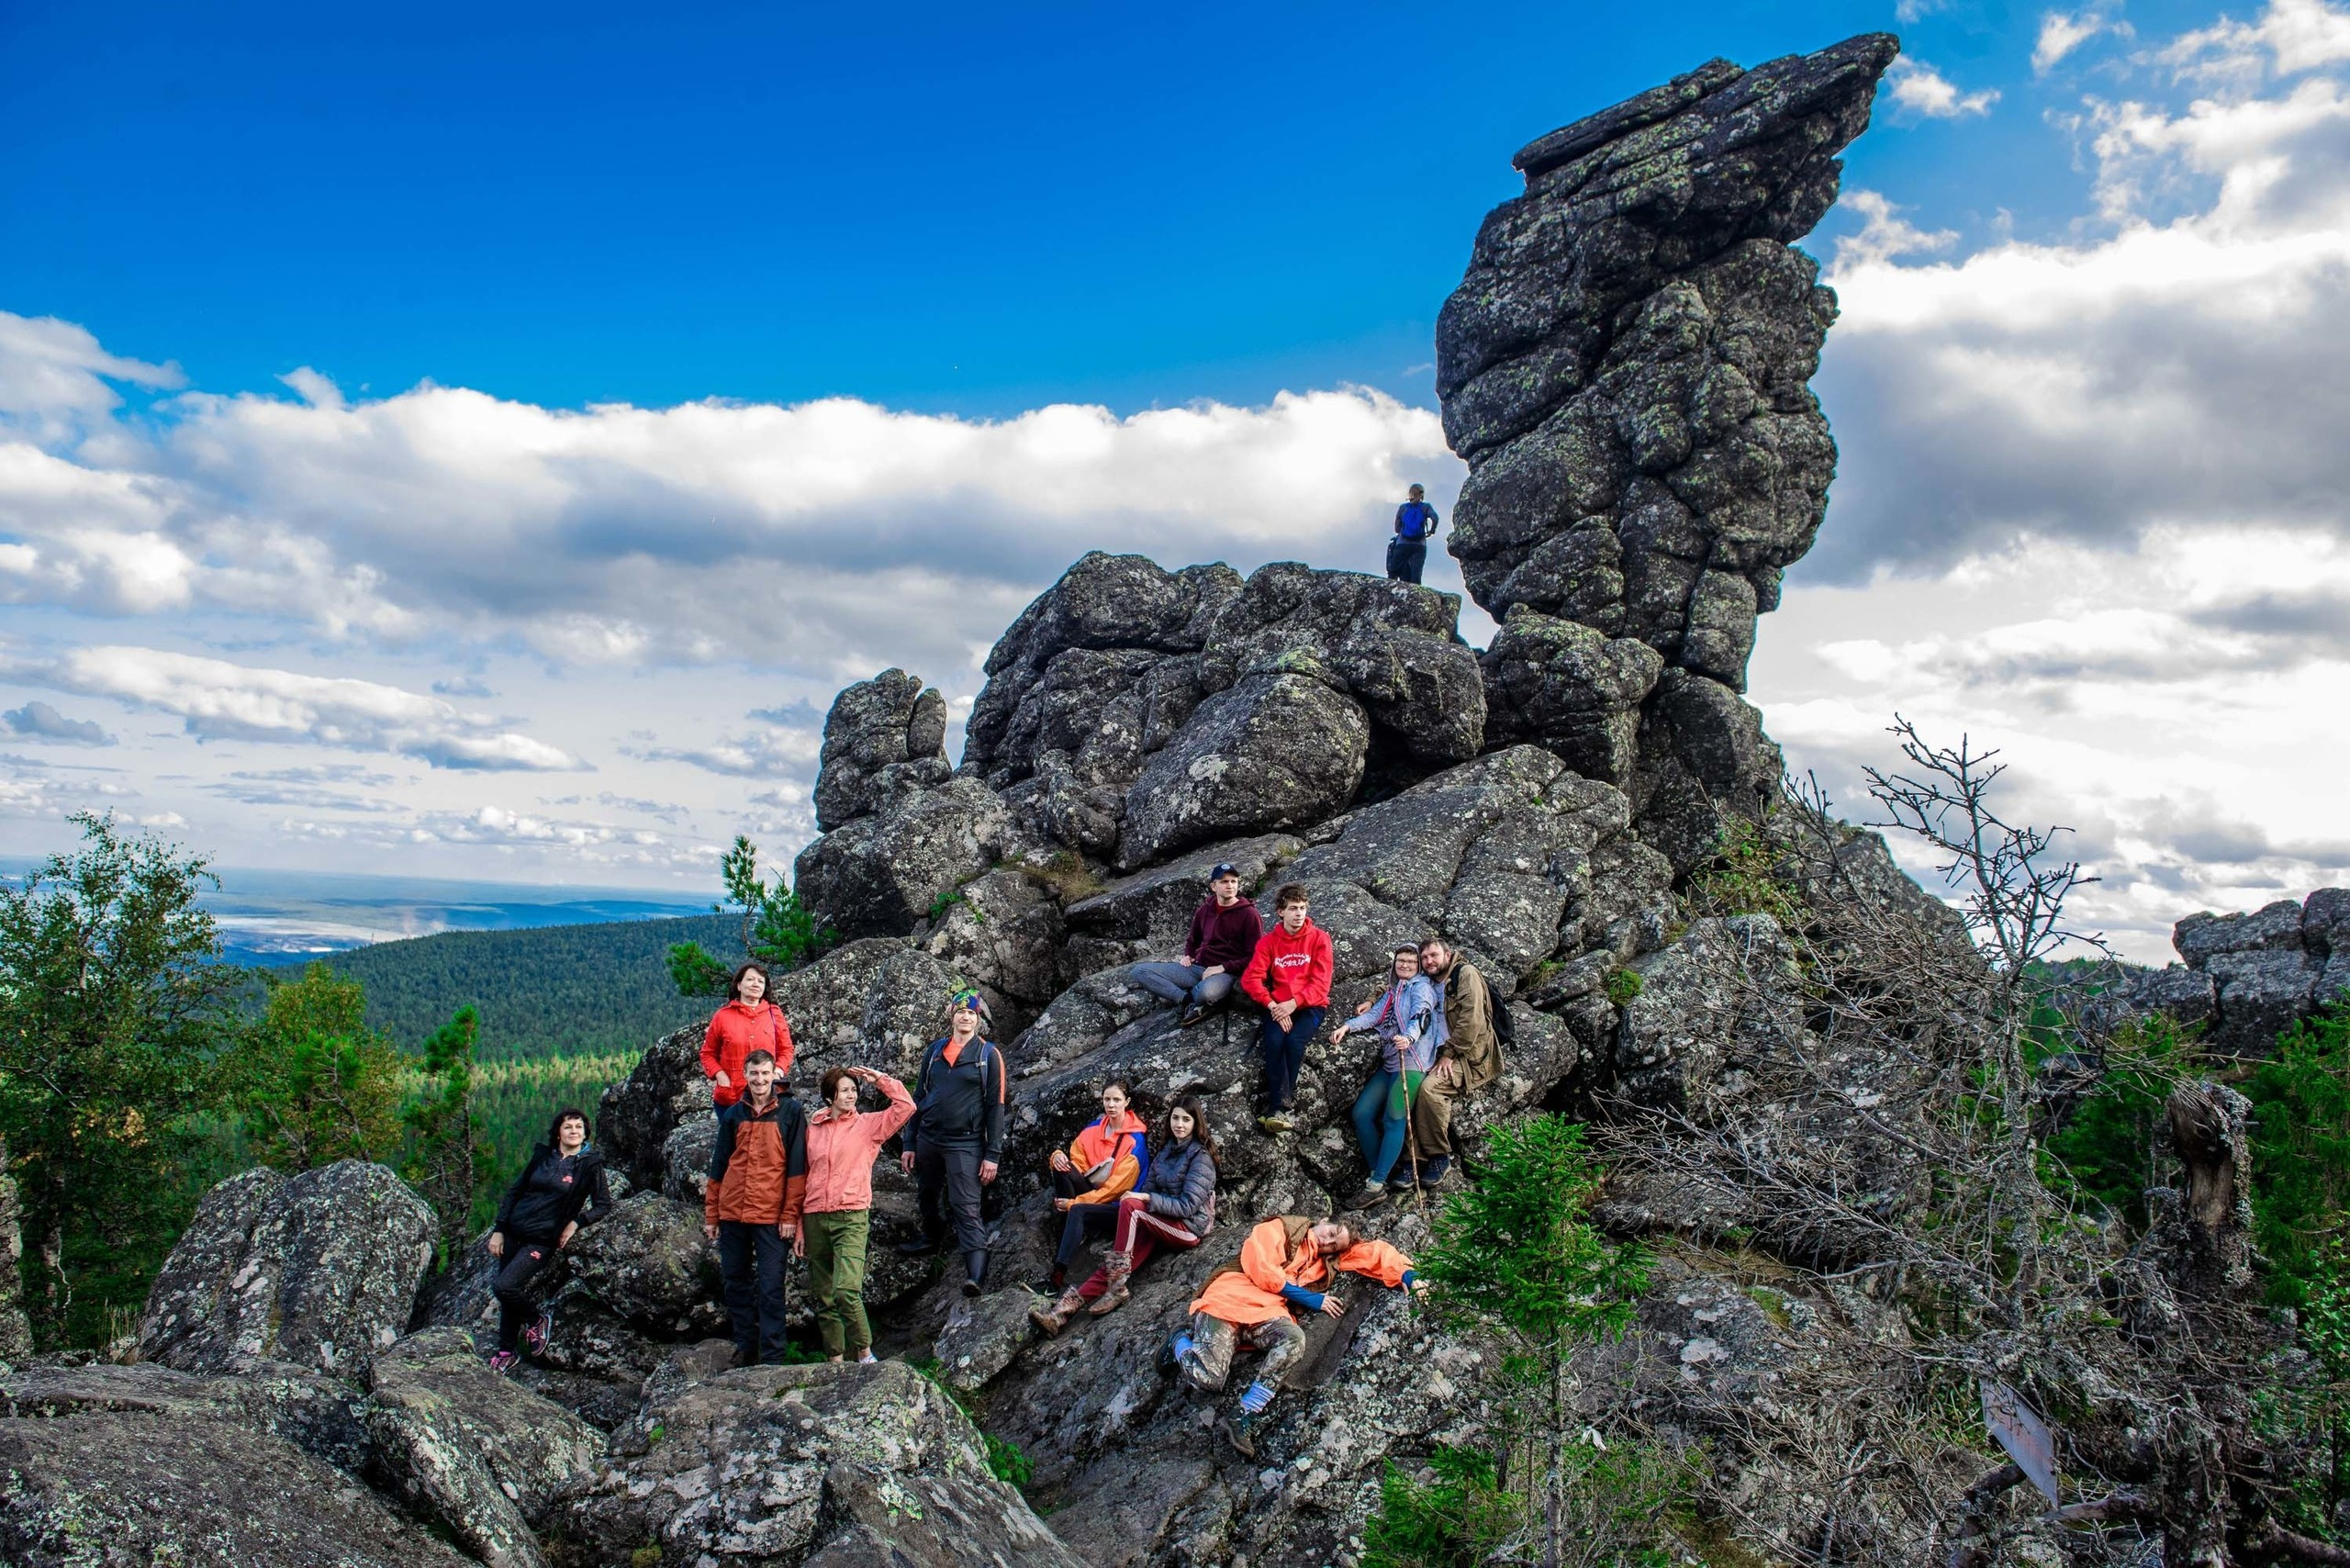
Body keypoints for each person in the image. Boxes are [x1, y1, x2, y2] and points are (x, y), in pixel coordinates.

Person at [1164, 1215, 1420, 1455]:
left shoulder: (1325, 1260)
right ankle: (1179, 1341)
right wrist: (1310, 1298)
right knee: (1209, 1380)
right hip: (1228, 1300)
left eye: (1334, 1246)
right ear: (1322, 1221)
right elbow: (1262, 1271)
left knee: (1294, 1339)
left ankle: (1245, 1412)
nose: (1327, 1243)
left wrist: (1409, 1275)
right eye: (1330, 1233)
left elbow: (1376, 1253)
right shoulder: (1281, 1228)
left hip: (1268, 1313)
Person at [1031, 1094, 1219, 1334]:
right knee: (1117, 1264)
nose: (1179, 1125)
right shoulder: (1165, 1153)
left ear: (1195, 1124)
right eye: (1175, 1118)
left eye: (1186, 1120)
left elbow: (1187, 1207)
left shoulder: (1200, 1157)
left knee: (1131, 1207)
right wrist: (1146, 1198)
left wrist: (1147, 1199)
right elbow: (1150, 1187)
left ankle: (1117, 1287)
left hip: (1188, 1228)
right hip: (1159, 1220)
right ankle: (1060, 1315)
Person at [798, 1063, 916, 1363]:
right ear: (829, 1096)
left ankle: (865, 1352)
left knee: (845, 1290)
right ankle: (834, 1359)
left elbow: (905, 1107)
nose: (851, 1095)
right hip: (814, 1216)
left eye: (853, 1090)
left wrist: (881, 1081)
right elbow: (804, 1176)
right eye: (844, 1090)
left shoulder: (867, 1125)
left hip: (851, 1215)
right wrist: (799, 1224)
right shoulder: (812, 1129)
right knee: (823, 1296)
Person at [484, 1106, 612, 1372]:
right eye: (568, 1127)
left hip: (541, 1240)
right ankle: (506, 1352)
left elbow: (603, 1204)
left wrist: (577, 1222)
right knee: (508, 1293)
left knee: (504, 1286)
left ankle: (536, 1320)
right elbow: (515, 1191)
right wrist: (499, 1228)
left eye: (579, 1127)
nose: (574, 1131)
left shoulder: (589, 1165)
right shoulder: (543, 1156)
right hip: (513, 1233)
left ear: (586, 1132)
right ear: (558, 1133)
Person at [897, 989, 1006, 1297]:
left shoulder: (988, 1056)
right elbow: (918, 1097)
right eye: (960, 1011)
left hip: (966, 1143)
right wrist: (909, 1141)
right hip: (929, 1138)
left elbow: (995, 1107)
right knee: (927, 1193)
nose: (965, 1017)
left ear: (978, 1018)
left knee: (966, 1206)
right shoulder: (934, 1052)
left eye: (971, 1012)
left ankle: (975, 1274)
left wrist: (992, 1155)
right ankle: (931, 1239)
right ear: (951, 1016)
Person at [703, 1048, 808, 1368]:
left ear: (775, 1075)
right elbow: (719, 1164)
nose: (760, 1080)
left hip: (771, 1216)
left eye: (765, 1073)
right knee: (735, 1281)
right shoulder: (734, 1114)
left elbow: (796, 1168)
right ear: (745, 1076)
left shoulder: (790, 1112)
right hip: (732, 1212)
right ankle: (745, 1348)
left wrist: (790, 1215)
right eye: (754, 1073)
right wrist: (712, 1214)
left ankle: (773, 1356)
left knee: (771, 1286)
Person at [1334, 946, 1439, 1209]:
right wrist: (1347, 1026)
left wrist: (1409, 1037)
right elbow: (1375, 1015)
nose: (1405, 965)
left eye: (1411, 961)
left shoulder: (1420, 988)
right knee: (1362, 1113)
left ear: (1419, 965)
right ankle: (1381, 1174)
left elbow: (1422, 1017)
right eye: (1400, 961)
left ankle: (1376, 1184)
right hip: (1392, 1062)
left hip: (1413, 1061)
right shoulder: (1395, 990)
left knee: (1394, 1118)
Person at [1035, 1080, 1149, 1294]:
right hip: (1093, 1192)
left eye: (1117, 1100)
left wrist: (1074, 1203)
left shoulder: (1135, 1141)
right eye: (1107, 1099)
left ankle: (1055, 1282)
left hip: (1117, 1207)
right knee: (1062, 1166)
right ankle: (1075, 1228)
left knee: (1078, 1210)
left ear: (1127, 1102)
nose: (1111, 1105)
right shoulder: (1094, 1129)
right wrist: (1057, 1156)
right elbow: (1077, 1162)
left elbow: (1114, 1190)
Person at [1238, 884, 1334, 1134]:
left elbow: (1321, 985)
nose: (1299, 914)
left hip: (1311, 1006)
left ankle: (1278, 1106)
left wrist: (1292, 1004)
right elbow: (1251, 979)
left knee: (1294, 1043)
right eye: (1293, 908)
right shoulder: (1268, 942)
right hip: (1278, 1005)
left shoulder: (1320, 939)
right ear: (1281, 912)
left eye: (1302, 908)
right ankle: (1280, 1106)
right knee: (1273, 1040)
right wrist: (1273, 1005)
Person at [1409, 938, 1505, 1187]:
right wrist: (1372, 998)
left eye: (1434, 955)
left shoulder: (1466, 974)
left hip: (1471, 1056)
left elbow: (1472, 1021)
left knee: (1431, 1089)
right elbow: (1398, 982)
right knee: (1412, 1087)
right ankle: (1414, 1161)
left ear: (1448, 955)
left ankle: (1439, 1157)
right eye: (1425, 958)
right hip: (1440, 1051)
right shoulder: (1430, 981)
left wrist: (1449, 1055)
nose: (1429, 961)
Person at [1129, 863, 1264, 1027]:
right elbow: (1193, 940)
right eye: (1224, 882)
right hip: (1198, 968)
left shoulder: (1249, 914)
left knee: (1208, 993)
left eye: (1233, 881)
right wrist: (1188, 954)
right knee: (1140, 971)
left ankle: (1201, 997)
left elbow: (1255, 956)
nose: (1230, 885)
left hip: (1226, 973)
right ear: (1213, 886)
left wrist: (1223, 967)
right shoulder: (1205, 910)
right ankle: (1187, 1000)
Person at [702, 961, 796, 1109]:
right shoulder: (722, 1016)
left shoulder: (774, 1014)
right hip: (731, 1097)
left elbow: (786, 1050)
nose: (755, 984)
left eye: (760, 981)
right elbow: (707, 1053)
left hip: (766, 1096)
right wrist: (721, 1077)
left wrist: (777, 1072)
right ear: (739, 985)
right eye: (750, 979)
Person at [1387, 483, 1441, 585]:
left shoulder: (1403, 508)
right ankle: (1415, 597)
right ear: (1422, 494)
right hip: (1419, 545)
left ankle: (1389, 593)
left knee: (1393, 573)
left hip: (1402, 544)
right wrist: (1431, 531)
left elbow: (1397, 529)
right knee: (1416, 574)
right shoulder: (1426, 507)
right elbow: (1435, 518)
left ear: (1410, 494)